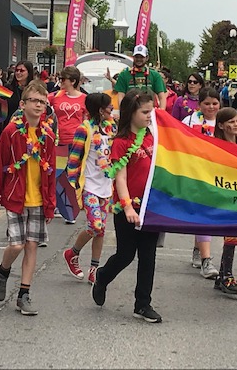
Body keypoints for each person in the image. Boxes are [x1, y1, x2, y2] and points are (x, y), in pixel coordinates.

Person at [91, 89, 162, 324]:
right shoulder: (121, 142)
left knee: (148, 256)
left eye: (151, 111)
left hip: (149, 208)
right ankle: (102, 276)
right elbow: (119, 178)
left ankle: (143, 304)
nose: (149, 116)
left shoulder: (152, 136)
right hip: (127, 208)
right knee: (125, 255)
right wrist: (128, 207)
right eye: (145, 112)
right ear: (131, 112)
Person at [0, 81, 57, 316]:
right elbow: (1, 165)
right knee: (16, 244)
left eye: (43, 102)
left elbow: (51, 172)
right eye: (34, 101)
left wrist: (50, 204)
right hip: (15, 196)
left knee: (31, 246)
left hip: (38, 199)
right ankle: (4, 270)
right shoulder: (12, 132)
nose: (39, 105)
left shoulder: (47, 135)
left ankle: (24, 294)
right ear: (23, 104)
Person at [63, 93, 117, 284]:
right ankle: (72, 253)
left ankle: (94, 268)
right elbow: (74, 159)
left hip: (106, 186)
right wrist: (75, 184)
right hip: (89, 186)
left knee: (100, 231)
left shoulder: (112, 128)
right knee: (95, 225)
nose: (112, 109)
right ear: (100, 110)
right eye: (109, 107)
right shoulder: (84, 129)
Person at [182, 88, 221, 279]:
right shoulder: (190, 121)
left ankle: (198, 250)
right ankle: (207, 260)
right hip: (197, 175)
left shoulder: (225, 121)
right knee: (204, 214)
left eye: (215, 103)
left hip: (219, 176)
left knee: (207, 216)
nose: (211, 107)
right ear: (199, 105)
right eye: (207, 103)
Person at [212, 107, 237, 295]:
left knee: (233, 232)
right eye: (231, 122)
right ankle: (227, 276)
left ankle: (222, 276)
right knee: (231, 233)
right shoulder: (215, 146)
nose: (235, 125)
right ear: (221, 125)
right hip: (222, 194)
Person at [48, 66, 87, 224]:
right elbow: (41, 102)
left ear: (73, 81)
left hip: (77, 141)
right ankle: (57, 204)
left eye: (63, 79)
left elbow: (88, 118)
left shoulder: (84, 98)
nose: (60, 82)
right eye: (60, 79)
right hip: (59, 140)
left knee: (73, 174)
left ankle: (72, 206)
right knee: (58, 174)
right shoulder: (55, 96)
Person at [114, 45, 166, 110]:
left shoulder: (155, 75)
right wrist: (123, 113)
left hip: (149, 112)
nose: (139, 59)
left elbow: (162, 97)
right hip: (130, 113)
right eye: (136, 57)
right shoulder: (124, 75)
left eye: (141, 57)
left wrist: (161, 112)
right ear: (133, 57)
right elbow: (121, 96)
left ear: (147, 58)